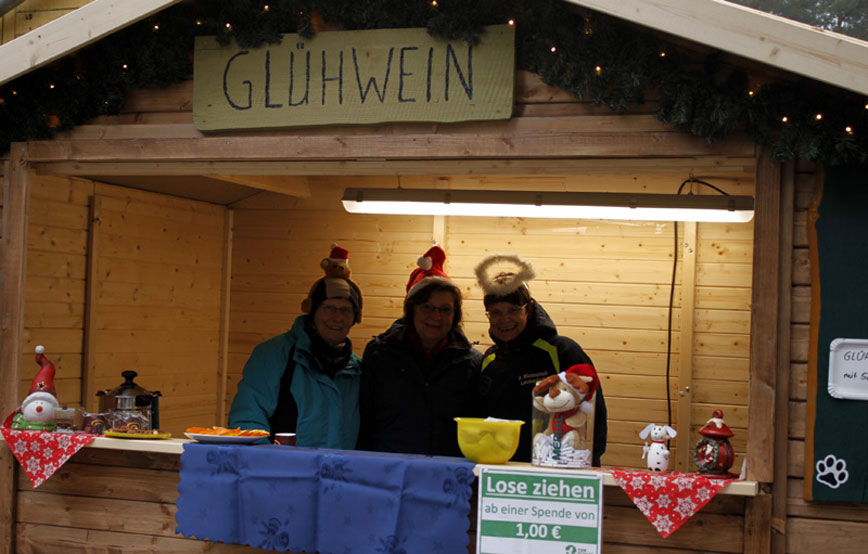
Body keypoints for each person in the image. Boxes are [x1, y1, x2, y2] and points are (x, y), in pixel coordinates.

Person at [474, 254, 607, 466]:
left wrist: (588, 463)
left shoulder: (562, 351)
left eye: (513, 310)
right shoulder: (489, 359)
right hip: (502, 471)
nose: (504, 319)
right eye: (495, 312)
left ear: (530, 308)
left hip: (558, 469)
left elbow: (594, 411)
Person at [228, 244, 363, 449]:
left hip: (340, 477)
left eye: (346, 310)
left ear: (355, 318)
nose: (337, 317)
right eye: (328, 308)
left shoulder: (358, 371)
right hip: (282, 476)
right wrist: (269, 466)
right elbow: (247, 420)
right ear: (312, 312)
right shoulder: (273, 356)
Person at [359, 245, 481, 457]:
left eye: (445, 310)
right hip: (387, 471)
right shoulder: (380, 355)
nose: (436, 317)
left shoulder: (471, 363)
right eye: (427, 307)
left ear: (455, 315)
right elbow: (363, 418)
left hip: (448, 474)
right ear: (411, 309)